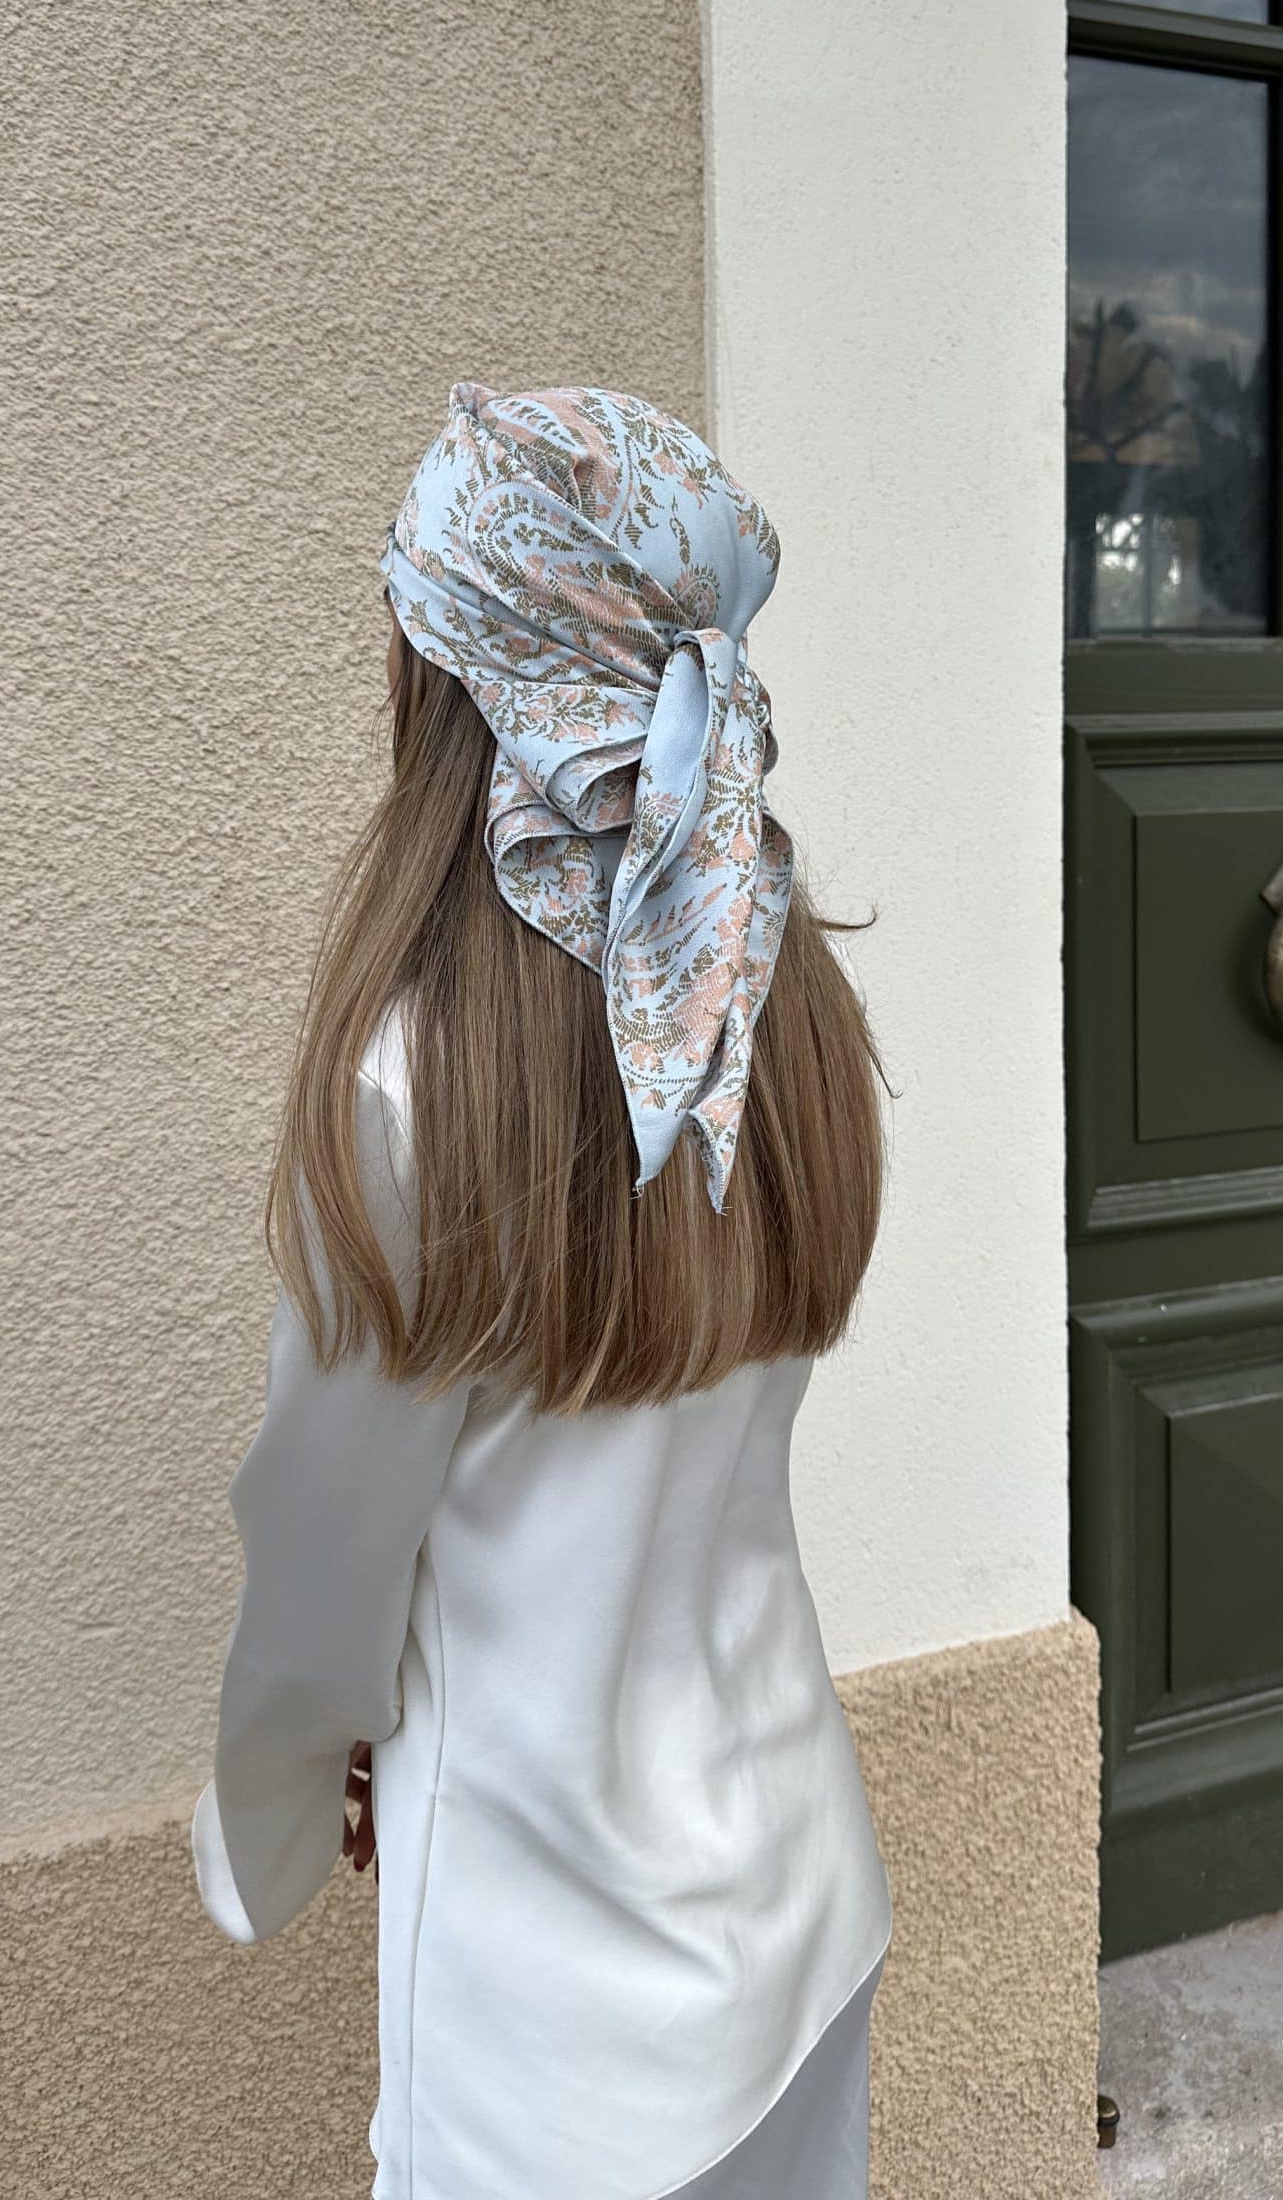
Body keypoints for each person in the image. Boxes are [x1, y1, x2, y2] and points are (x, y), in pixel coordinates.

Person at [194, 383, 893, 2200]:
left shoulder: (410, 1084)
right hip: (796, 1900)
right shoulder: (778, 994)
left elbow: (324, 1573)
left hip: (555, 2020)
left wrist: (279, 1803)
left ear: (460, 680)